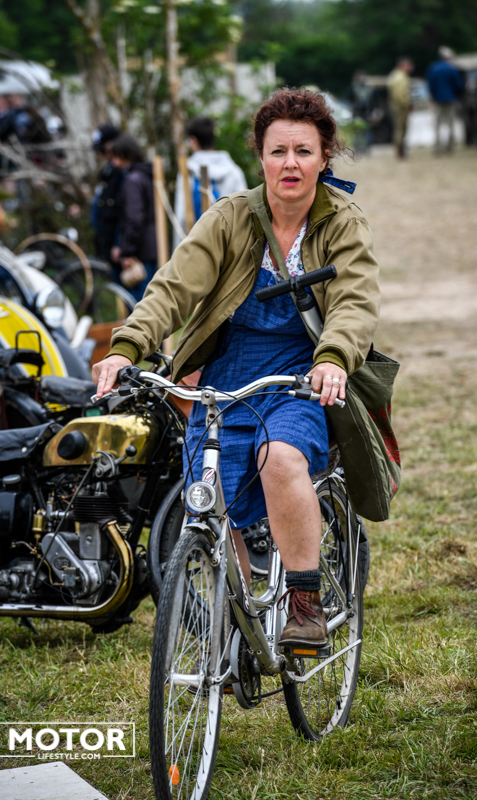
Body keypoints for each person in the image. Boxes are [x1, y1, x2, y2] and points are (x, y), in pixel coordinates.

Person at [93, 88, 380, 649]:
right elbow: (173, 288)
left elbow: (354, 302)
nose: (290, 164)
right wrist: (127, 346)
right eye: (278, 151)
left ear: (324, 157)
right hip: (227, 373)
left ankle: (304, 601)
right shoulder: (230, 217)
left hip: (301, 373)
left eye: (303, 151)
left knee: (281, 458)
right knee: (209, 494)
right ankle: (239, 618)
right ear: (261, 157)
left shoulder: (342, 222)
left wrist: (333, 360)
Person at [174, 115, 247, 246]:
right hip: (229, 245)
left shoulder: (187, 171)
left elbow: (182, 216)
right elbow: (244, 211)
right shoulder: (233, 171)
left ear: (193, 140)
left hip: (196, 244)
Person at [110, 134, 157, 303]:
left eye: (117, 157)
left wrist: (127, 251)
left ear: (127, 155)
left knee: (141, 302)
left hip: (141, 251)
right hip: (151, 246)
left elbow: (134, 218)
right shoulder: (146, 176)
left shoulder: (133, 181)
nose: (115, 163)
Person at [90, 123, 122, 266]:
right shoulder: (107, 171)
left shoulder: (122, 173)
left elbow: (126, 213)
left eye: (103, 149)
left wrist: (120, 243)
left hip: (118, 245)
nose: (101, 154)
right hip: (106, 243)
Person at [426, 46, 464, 155]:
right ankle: (450, 147)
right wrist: (455, 95)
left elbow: (430, 85)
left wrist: (434, 96)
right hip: (450, 99)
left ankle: (437, 147)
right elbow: (459, 85)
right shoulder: (451, 69)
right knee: (450, 123)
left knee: (437, 124)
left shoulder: (433, 68)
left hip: (437, 100)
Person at [387, 57, 414, 159]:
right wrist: (407, 104)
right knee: (400, 128)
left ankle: (400, 148)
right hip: (400, 107)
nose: (411, 67)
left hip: (396, 106)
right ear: (403, 66)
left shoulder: (394, 75)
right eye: (408, 65)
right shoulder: (401, 77)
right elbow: (400, 95)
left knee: (399, 128)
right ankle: (400, 150)